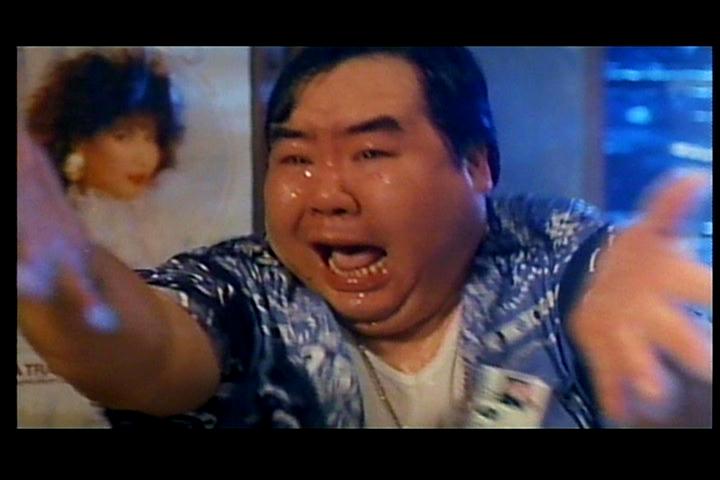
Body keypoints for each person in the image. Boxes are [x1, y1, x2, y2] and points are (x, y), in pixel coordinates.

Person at [16, 47, 712, 428]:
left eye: (371, 153)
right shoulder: (250, 289)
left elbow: (666, 380)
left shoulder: (556, 259)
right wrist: (58, 271)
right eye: (296, 157)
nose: (327, 194)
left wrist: (669, 369)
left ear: (477, 165)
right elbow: (150, 349)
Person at [18, 48, 183, 427]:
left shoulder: (165, 226)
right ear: (79, 139)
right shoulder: (54, 231)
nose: (143, 156)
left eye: (149, 137)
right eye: (123, 136)